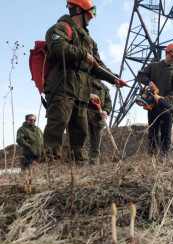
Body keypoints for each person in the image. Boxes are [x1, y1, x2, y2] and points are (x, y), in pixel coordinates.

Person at [43, 0, 126, 163]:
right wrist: (82, 54)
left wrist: (114, 78)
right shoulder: (59, 28)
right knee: (57, 127)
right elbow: (57, 47)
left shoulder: (89, 40)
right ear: (79, 10)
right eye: (90, 12)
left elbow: (97, 65)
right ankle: (49, 169)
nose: (92, 17)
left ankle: (78, 168)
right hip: (62, 88)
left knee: (80, 131)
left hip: (81, 93)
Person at [135, 43, 173, 155]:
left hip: (167, 108)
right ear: (167, 53)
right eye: (172, 56)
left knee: (166, 135)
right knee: (153, 134)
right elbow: (140, 76)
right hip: (153, 106)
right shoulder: (153, 66)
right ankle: (152, 159)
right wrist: (149, 82)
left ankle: (163, 159)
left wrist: (164, 99)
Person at [86, 77, 112, 165]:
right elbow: (76, 94)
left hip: (98, 119)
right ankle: (78, 162)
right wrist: (88, 95)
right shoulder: (84, 82)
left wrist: (106, 111)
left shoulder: (104, 87)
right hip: (83, 116)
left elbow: (108, 102)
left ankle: (94, 164)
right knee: (79, 141)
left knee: (96, 145)